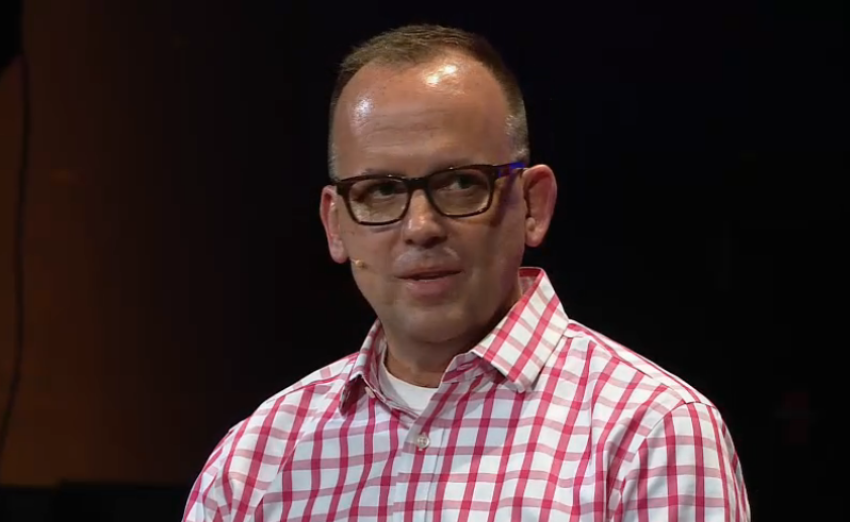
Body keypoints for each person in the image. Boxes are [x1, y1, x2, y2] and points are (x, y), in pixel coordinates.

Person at [183, 24, 750, 521]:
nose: (421, 226)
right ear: (336, 224)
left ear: (534, 204)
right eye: (381, 190)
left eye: (460, 184)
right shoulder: (255, 462)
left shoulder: (652, 435)